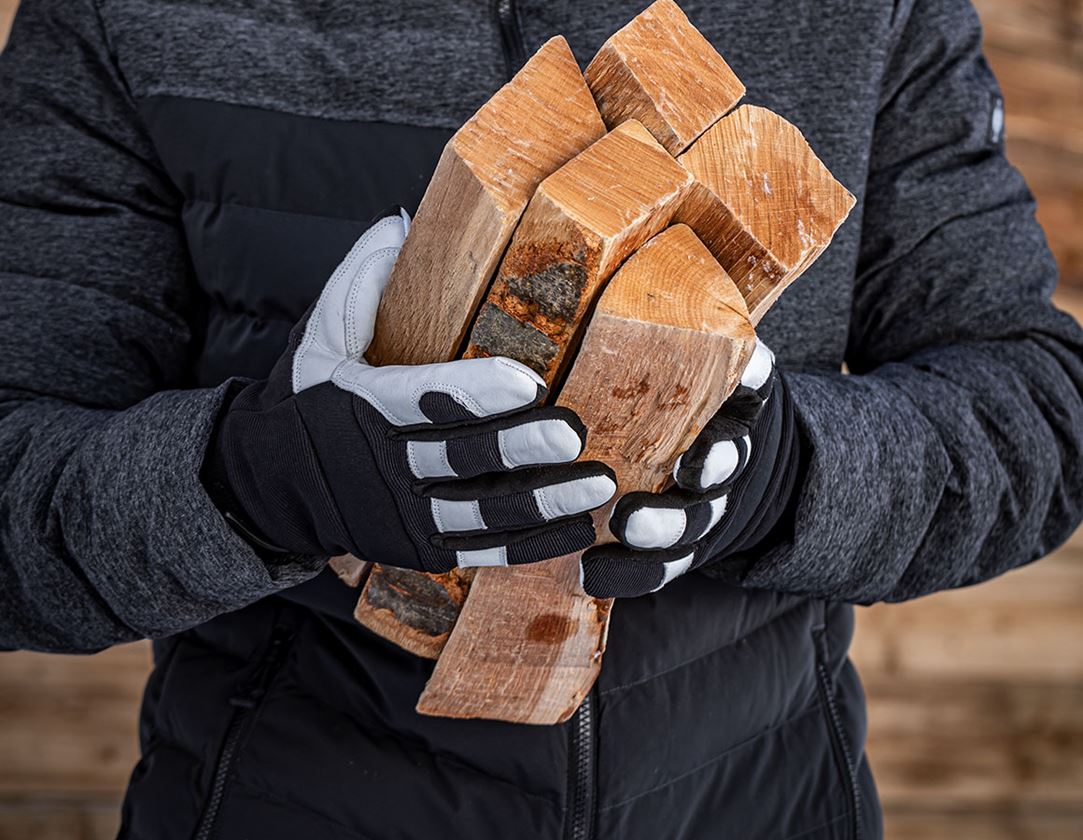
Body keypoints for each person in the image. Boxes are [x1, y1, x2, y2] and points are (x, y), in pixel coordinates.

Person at [1, 0, 1080, 837]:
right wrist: (247, 482)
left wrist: (794, 474)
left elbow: (1037, 405)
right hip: (274, 801)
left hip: (765, 804)